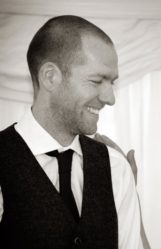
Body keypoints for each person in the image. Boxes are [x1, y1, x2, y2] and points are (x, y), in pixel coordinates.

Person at [0, 15, 147, 249]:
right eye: (97, 80)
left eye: (112, 83)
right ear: (50, 77)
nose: (110, 98)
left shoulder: (116, 169)